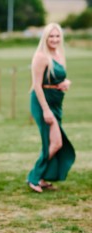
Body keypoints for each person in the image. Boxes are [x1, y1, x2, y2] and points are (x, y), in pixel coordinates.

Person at [27, 23, 75, 193]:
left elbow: (59, 78)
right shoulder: (41, 56)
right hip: (42, 103)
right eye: (51, 36)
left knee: (52, 142)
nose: (54, 39)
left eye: (57, 36)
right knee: (55, 143)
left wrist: (65, 83)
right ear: (45, 38)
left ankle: (40, 177)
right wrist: (46, 110)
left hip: (56, 102)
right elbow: (37, 86)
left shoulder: (59, 54)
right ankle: (33, 177)